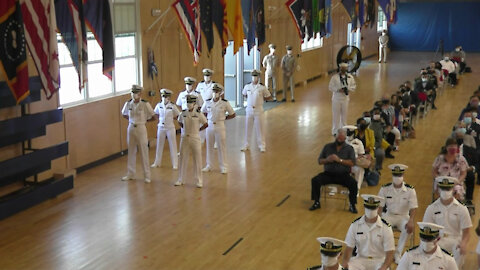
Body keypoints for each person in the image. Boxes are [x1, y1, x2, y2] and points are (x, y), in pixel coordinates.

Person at [423, 177, 472, 269]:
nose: (445, 191)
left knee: (459, 251)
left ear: (453, 189)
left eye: (448, 189)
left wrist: (464, 243)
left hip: (455, 240)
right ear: (438, 189)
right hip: (437, 239)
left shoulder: (462, 209)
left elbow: (467, 231)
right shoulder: (431, 208)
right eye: (443, 188)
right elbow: (426, 228)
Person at [309, 128, 358, 213]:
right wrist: (327, 160)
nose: (339, 140)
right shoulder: (327, 147)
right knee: (315, 180)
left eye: (341, 138)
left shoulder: (349, 149)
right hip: (328, 174)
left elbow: (352, 163)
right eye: (338, 138)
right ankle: (316, 202)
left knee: (353, 183)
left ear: (344, 138)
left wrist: (340, 160)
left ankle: (352, 205)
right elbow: (320, 161)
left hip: (343, 175)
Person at [378, 164, 418, 263]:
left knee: (407, 229)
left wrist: (411, 220)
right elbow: (380, 206)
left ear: (403, 175)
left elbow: (413, 207)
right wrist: (378, 219)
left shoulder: (410, 190)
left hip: (403, 216)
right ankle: (383, 253)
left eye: (399, 175)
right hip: (389, 215)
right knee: (380, 227)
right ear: (392, 175)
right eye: (395, 175)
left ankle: (398, 254)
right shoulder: (385, 188)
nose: (397, 178)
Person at [342, 194, 395, 270]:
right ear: (364, 206)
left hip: (379, 261)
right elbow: (349, 248)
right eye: (368, 207)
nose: (370, 211)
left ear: (378, 207)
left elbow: (390, 252)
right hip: (360, 259)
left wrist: (384, 267)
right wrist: (344, 264)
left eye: (373, 208)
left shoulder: (386, 227)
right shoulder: (355, 225)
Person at [121, 85, 155, 183]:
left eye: (135, 93)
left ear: (140, 94)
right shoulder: (128, 103)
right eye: (132, 93)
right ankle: (130, 173)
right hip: (131, 127)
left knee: (144, 151)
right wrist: (132, 121)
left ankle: (147, 175)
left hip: (141, 128)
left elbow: (153, 116)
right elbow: (124, 114)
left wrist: (143, 121)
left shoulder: (145, 104)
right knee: (131, 151)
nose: (133, 95)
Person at [201, 83, 236, 174]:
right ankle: (209, 165)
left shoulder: (224, 103)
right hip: (209, 125)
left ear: (220, 93)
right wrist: (207, 118)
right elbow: (203, 112)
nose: (215, 93)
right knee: (209, 146)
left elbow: (232, 114)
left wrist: (224, 118)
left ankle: (223, 166)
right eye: (213, 91)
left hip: (220, 125)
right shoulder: (207, 102)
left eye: (217, 91)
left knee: (221, 147)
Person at [174, 95, 208, 188]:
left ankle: (199, 180)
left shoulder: (198, 113)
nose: (189, 104)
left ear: (194, 104)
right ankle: (181, 179)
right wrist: (185, 129)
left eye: (190, 103)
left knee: (197, 159)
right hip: (184, 137)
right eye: (187, 103)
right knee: (182, 158)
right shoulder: (183, 113)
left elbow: (205, 124)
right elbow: (179, 122)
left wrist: (198, 130)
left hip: (195, 137)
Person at [241, 69, 272, 152]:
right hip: (249, 109)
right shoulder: (247, 86)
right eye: (253, 76)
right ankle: (246, 144)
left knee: (260, 128)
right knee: (248, 128)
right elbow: (244, 94)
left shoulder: (262, 87)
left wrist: (262, 98)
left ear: (258, 77)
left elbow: (268, 96)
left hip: (259, 109)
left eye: (256, 76)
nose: (254, 78)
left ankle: (262, 145)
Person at [151, 89, 180, 170]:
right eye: (163, 96)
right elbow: (155, 114)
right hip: (161, 127)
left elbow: (178, 115)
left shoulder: (172, 106)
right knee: (159, 145)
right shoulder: (159, 105)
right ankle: (157, 162)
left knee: (172, 145)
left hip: (170, 127)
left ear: (169, 97)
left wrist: (173, 118)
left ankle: (175, 164)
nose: (164, 98)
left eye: (166, 96)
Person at [329, 62, 356, 136]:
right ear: (340, 69)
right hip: (336, 99)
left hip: (345, 99)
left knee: (344, 115)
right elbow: (330, 87)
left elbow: (354, 87)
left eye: (345, 68)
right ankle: (335, 131)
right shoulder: (335, 77)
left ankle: (344, 129)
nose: (343, 70)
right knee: (336, 115)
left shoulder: (350, 77)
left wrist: (348, 89)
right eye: (342, 68)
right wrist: (338, 90)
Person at [344, 125, 366, 195]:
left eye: (350, 134)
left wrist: (356, 160)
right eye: (347, 134)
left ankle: (356, 189)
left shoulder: (358, 142)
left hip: (354, 164)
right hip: (343, 163)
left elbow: (361, 155)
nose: (348, 136)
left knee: (360, 170)